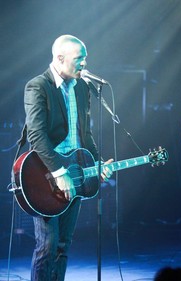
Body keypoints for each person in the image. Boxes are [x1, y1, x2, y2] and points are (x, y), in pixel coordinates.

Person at [24, 34, 113, 281]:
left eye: (85, 58)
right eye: (79, 59)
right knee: (47, 245)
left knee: (64, 244)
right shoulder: (38, 86)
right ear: (60, 58)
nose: (84, 64)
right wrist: (58, 171)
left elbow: (85, 134)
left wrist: (96, 163)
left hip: (75, 171)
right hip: (46, 174)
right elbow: (37, 135)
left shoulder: (82, 87)